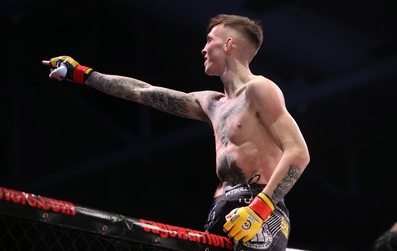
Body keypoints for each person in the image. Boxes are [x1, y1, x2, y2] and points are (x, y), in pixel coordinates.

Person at [42, 14, 310, 251]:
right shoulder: (211, 103)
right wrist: (83, 74)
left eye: (209, 40)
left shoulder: (259, 89)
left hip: (259, 206)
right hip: (220, 211)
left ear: (229, 44)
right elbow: (144, 92)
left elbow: (298, 153)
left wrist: (260, 209)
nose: (203, 49)